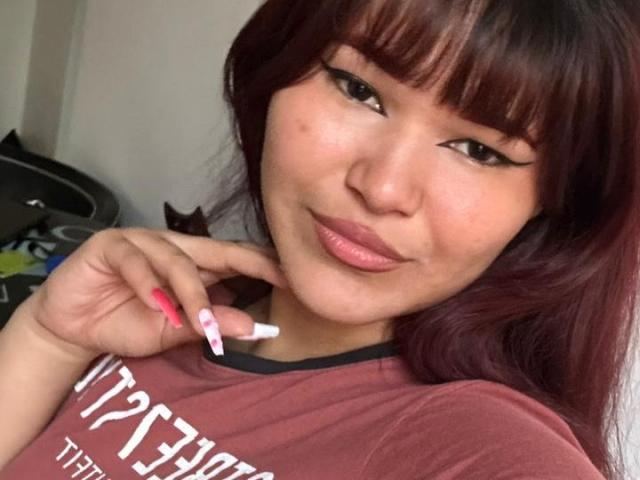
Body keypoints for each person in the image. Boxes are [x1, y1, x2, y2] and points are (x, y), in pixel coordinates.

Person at [1, 0, 638, 478]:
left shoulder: (469, 446)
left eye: (479, 150)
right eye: (360, 90)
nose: (383, 188)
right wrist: (51, 337)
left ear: (551, 208)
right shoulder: (167, 312)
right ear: (275, 72)